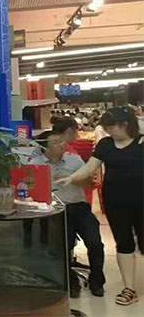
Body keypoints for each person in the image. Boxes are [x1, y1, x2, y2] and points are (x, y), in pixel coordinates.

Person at [56, 107, 143, 306]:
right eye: (107, 128)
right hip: (115, 203)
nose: (109, 131)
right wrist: (72, 178)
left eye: (112, 127)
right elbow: (89, 167)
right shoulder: (105, 145)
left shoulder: (141, 142)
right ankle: (129, 288)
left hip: (141, 201)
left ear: (125, 124)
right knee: (124, 243)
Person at [31, 131, 105, 297]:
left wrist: (73, 178)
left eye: (62, 141)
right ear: (45, 147)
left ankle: (97, 281)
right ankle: (71, 281)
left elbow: (89, 183)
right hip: (54, 210)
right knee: (61, 246)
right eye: (56, 142)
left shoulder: (74, 160)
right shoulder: (35, 164)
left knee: (95, 243)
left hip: (79, 208)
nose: (62, 144)